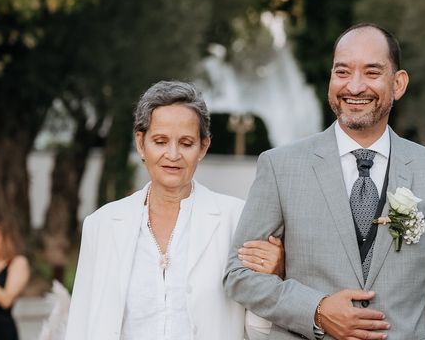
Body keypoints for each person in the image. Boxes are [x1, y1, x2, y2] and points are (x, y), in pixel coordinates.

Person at [224, 23, 425, 339]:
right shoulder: (279, 167)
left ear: (398, 84)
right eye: (342, 72)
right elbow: (239, 275)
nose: (354, 87)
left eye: (372, 73)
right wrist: (316, 309)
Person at [65, 80, 283, 340]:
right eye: (160, 141)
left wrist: (274, 277)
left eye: (186, 143)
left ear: (203, 146)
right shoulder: (101, 224)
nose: (172, 154)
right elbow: (80, 324)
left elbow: (259, 330)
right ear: (140, 142)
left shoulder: (237, 220)